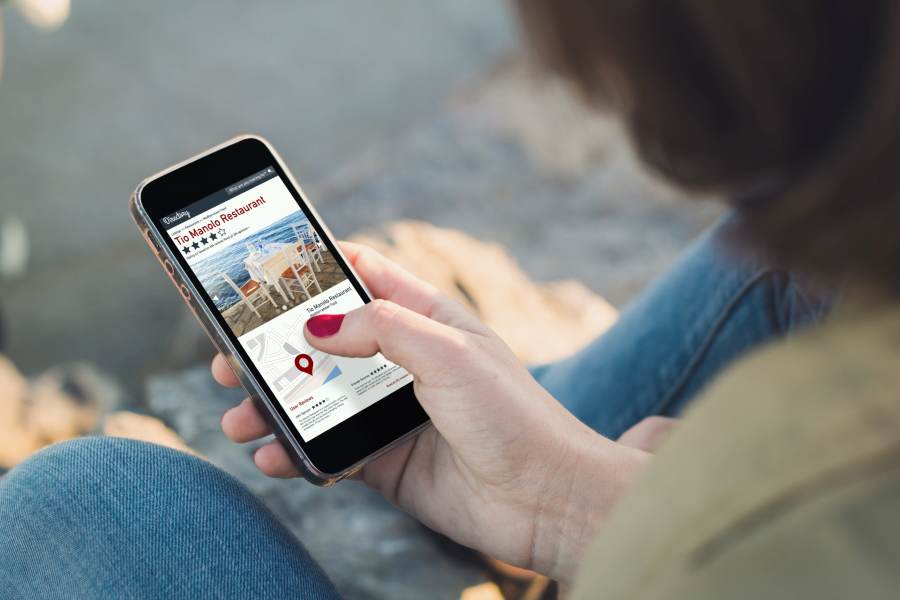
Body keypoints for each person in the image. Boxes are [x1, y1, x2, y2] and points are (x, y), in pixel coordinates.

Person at [3, 2, 899, 599]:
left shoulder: (772, 540)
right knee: (784, 253)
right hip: (609, 508)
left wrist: (657, 531)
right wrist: (575, 502)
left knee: (83, 496)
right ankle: (532, 421)